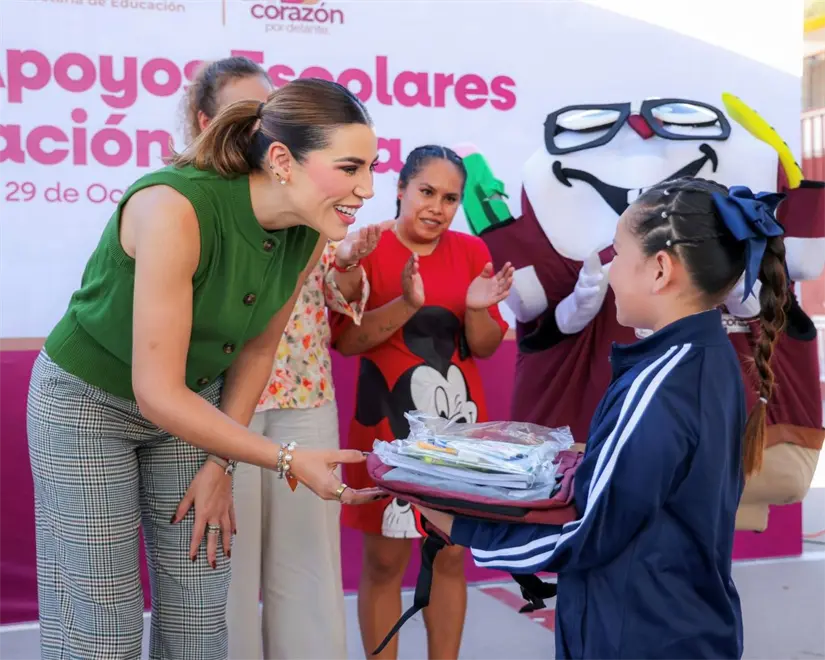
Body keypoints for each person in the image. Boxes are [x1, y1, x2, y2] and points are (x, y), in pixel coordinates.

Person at [26, 77, 384, 660]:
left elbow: (258, 351)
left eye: (371, 167)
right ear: (281, 160)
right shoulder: (173, 207)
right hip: (87, 405)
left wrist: (221, 463)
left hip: (191, 405)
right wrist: (285, 457)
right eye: (350, 168)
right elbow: (156, 392)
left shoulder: (308, 231)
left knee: (199, 609)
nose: (367, 188)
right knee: (103, 622)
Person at [417, 176, 789, 660]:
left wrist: (457, 524)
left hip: (636, 637)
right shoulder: (707, 357)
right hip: (683, 625)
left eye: (618, 253)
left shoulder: (658, 385)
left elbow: (588, 534)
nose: (609, 273)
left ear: (660, 269)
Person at [177, 56, 385, 660]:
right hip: (217, 403)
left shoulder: (315, 207)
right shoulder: (190, 203)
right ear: (207, 121)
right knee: (225, 560)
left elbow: (333, 297)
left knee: (308, 560)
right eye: (246, 113)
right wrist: (217, 450)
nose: (260, 125)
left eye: (268, 112)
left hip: (304, 390)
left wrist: (348, 266)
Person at [330, 145, 514, 660]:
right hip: (384, 428)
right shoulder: (368, 245)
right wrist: (406, 304)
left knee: (449, 558)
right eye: (427, 192)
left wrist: (476, 310)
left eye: (450, 198)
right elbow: (347, 341)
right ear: (400, 189)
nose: (437, 207)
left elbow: (483, 347)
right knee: (385, 563)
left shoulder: (471, 251)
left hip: (459, 431)